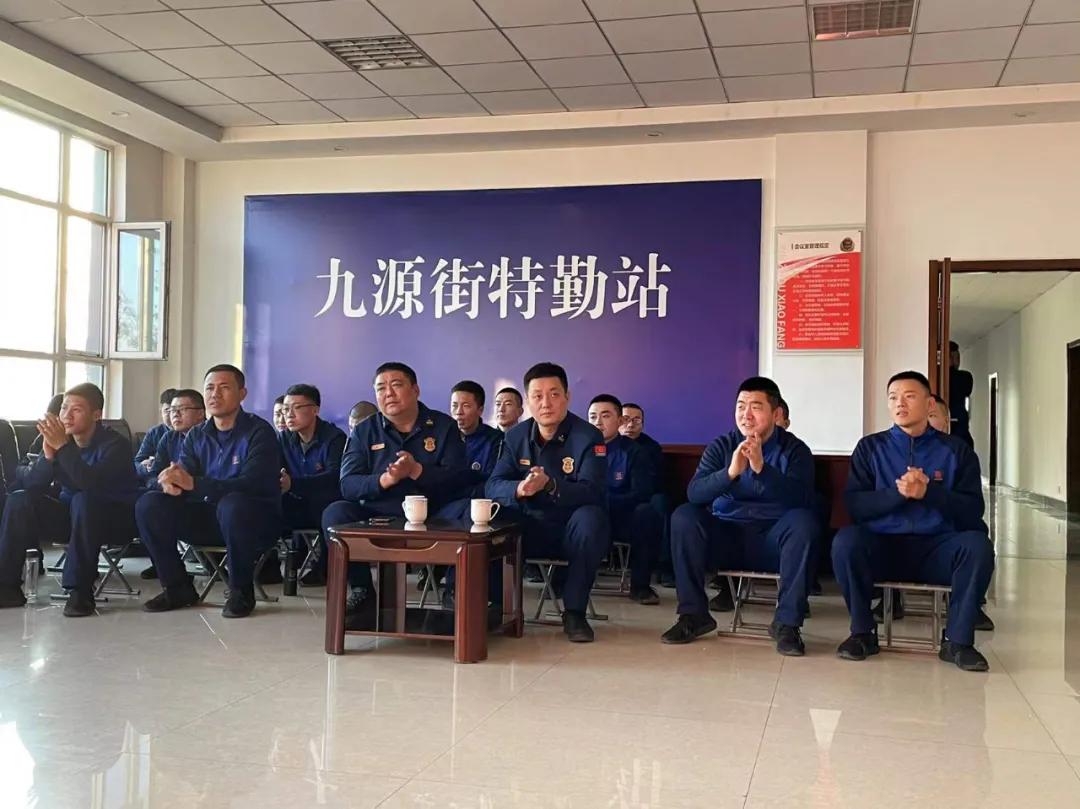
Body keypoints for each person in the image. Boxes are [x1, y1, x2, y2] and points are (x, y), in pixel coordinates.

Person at [832, 371, 995, 672]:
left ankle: (958, 642)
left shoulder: (956, 450)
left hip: (936, 549)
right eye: (893, 398)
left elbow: (973, 509)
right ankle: (862, 633)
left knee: (978, 546)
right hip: (884, 547)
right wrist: (899, 494)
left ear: (929, 403)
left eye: (909, 396)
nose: (900, 404)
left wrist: (928, 493)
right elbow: (856, 505)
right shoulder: (870, 448)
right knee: (845, 542)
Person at [661, 376, 819, 657]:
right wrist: (731, 472)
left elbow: (801, 499)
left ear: (777, 414)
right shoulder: (722, 445)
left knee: (804, 522)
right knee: (684, 516)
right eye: (740, 406)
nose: (746, 414)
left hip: (773, 540)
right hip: (727, 537)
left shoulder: (795, 450)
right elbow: (695, 493)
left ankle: (787, 624)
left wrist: (762, 470)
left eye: (756, 407)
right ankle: (693, 615)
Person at [136, 364, 280, 619]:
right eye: (209, 388)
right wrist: (169, 482)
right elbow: (184, 475)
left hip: (253, 520)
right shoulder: (196, 435)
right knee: (150, 504)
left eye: (224, 388)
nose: (215, 394)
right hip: (208, 517)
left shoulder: (259, 432)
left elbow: (252, 483)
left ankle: (241, 592)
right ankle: (177, 587)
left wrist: (195, 484)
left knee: (233, 504)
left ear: (242, 394)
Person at [321, 363, 466, 612]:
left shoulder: (444, 426)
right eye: (381, 388)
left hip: (433, 512)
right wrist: (385, 479)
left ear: (415, 390)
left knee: (468, 510)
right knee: (335, 514)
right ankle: (362, 590)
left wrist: (416, 471)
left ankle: (455, 591)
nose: (388, 393)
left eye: (396, 385)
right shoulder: (365, 431)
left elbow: (458, 478)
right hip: (378, 513)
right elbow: (348, 484)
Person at [487, 362, 610, 643]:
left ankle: (574, 613)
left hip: (571, 526)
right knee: (493, 517)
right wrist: (520, 487)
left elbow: (592, 491)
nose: (546, 403)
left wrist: (550, 485)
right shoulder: (515, 436)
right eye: (538, 396)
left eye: (554, 394)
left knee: (591, 518)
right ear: (528, 401)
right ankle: (498, 607)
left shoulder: (588, 436)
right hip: (530, 525)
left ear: (567, 396)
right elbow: (493, 485)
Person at [0, 383, 139, 616]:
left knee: (85, 500)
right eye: (64, 408)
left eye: (76, 410)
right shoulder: (59, 440)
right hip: (72, 518)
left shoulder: (116, 445)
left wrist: (63, 448)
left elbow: (89, 484)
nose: (67, 416)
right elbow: (32, 484)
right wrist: (48, 457)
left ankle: (80, 591)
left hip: (113, 520)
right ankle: (6, 586)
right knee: (19, 500)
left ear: (96, 415)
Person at [588, 394, 661, 605]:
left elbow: (642, 492)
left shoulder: (635, 452)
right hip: (586, 514)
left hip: (620, 515)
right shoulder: (580, 448)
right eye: (592, 417)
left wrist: (605, 502)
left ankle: (640, 586)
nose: (598, 422)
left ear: (620, 421)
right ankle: (560, 581)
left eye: (605, 416)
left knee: (646, 513)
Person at [279, 383, 346, 587]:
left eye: (297, 407)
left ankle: (325, 568)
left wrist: (294, 484)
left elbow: (334, 477)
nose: (289, 414)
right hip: (295, 501)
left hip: (324, 503)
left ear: (315, 410)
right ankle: (267, 566)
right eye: (285, 409)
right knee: (261, 506)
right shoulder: (283, 438)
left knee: (329, 507)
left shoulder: (334, 438)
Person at [139, 389, 206, 580]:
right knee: (146, 502)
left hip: (204, 499)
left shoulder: (210, 436)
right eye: (172, 410)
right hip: (174, 497)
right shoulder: (168, 438)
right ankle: (170, 574)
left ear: (200, 413)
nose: (175, 414)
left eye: (182, 409)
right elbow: (152, 476)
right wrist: (164, 484)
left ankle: (210, 563)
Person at [620, 402, 672, 587]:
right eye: (626, 419)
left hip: (644, 497)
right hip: (616, 496)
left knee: (660, 503)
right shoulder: (606, 444)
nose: (630, 425)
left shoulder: (650, 447)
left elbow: (655, 482)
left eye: (636, 420)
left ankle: (665, 567)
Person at [134, 388, 178, 482]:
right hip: (154, 478)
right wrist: (145, 467)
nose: (171, 415)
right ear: (161, 411)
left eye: (174, 410)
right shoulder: (154, 432)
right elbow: (136, 463)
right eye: (167, 411)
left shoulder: (188, 432)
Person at [948, 341, 974, 448]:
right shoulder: (964, 377)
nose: (958, 361)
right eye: (956, 357)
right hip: (959, 426)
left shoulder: (964, 376)